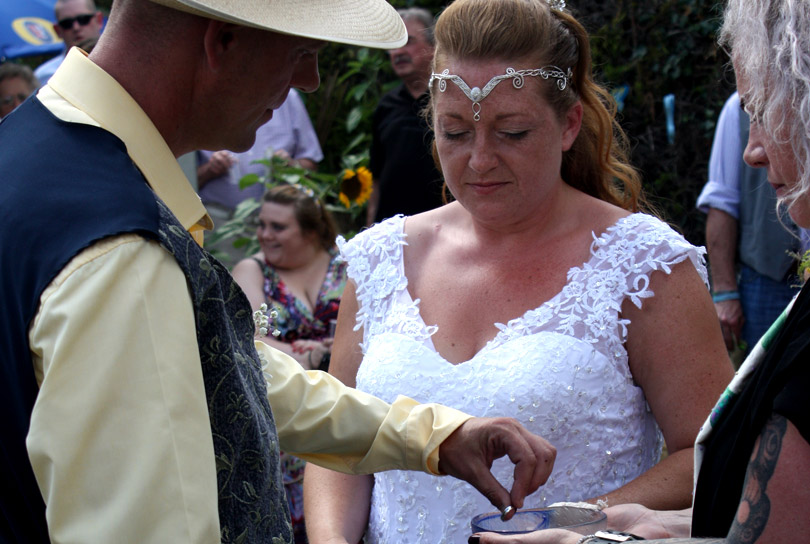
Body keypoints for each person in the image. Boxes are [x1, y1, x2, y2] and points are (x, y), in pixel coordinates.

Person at [0, 0, 561, 542]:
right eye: (301, 51)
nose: (312, 79)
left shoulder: (31, 155)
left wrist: (431, 437)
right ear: (222, 40)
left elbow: (216, 366)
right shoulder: (121, 249)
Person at [303, 0, 732, 542]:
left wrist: (569, 522)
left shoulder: (643, 264)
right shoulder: (380, 258)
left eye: (512, 133)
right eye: (455, 133)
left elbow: (713, 450)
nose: (480, 160)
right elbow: (337, 438)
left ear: (569, 122)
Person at [470, 0, 810, 542]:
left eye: (763, 110)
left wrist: (584, 534)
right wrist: (656, 526)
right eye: (454, 131)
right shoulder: (388, 250)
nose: (752, 151)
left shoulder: (643, 259)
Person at [232, 184, 347, 542]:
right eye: (262, 225)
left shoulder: (348, 264)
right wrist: (312, 354)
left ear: (312, 230)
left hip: (344, 405)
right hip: (283, 416)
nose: (265, 235)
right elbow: (250, 338)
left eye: (278, 227)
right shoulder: (253, 270)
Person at [697, 91, 802, 359]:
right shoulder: (738, 106)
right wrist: (724, 293)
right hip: (766, 283)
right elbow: (722, 202)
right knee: (766, 387)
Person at [365, 7, 445, 225]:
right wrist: (371, 228)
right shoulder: (387, 106)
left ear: (434, 46)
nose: (397, 52)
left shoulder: (451, 102)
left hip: (441, 231)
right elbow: (376, 178)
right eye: (393, 45)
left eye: (408, 41)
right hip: (392, 233)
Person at [33, 0, 104, 86]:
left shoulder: (119, 63)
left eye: (83, 19)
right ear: (57, 30)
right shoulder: (45, 76)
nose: (76, 27)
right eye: (67, 23)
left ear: (99, 20)